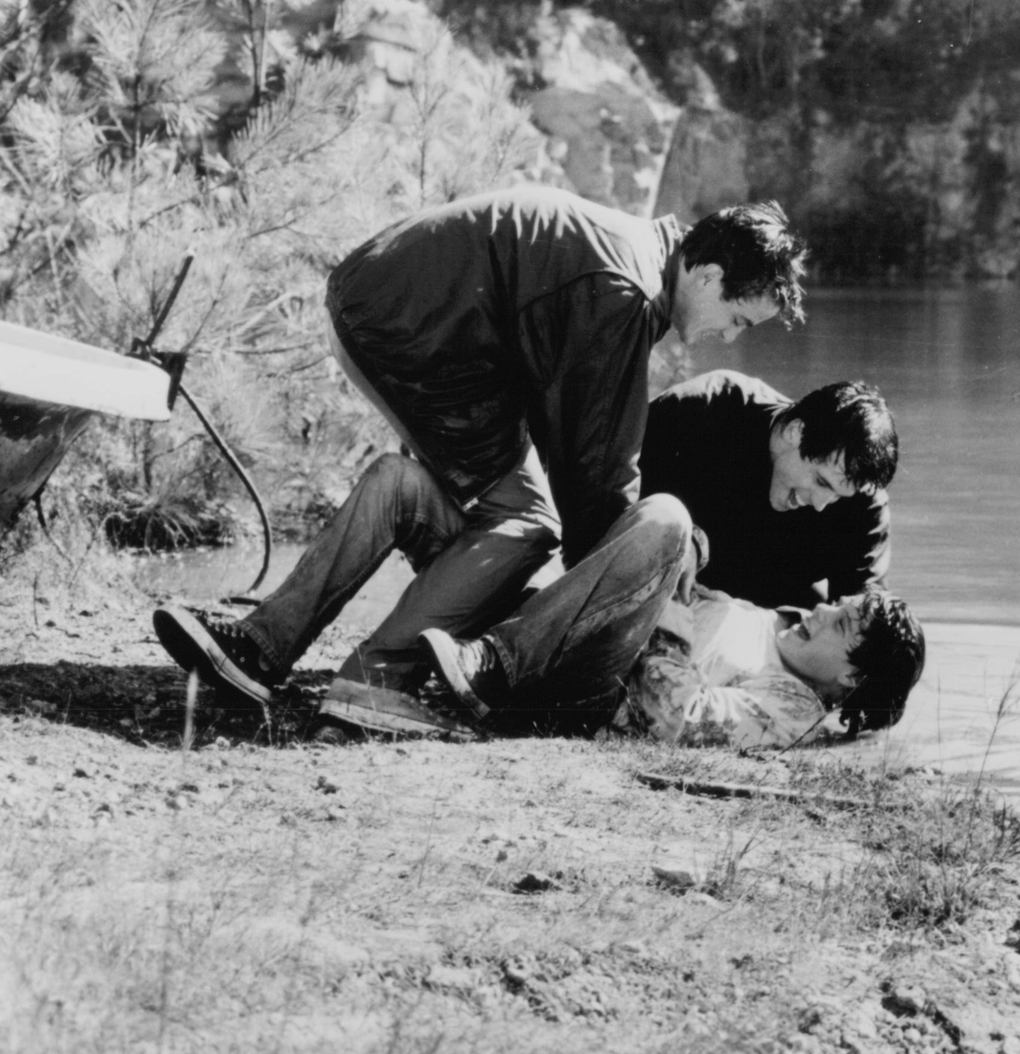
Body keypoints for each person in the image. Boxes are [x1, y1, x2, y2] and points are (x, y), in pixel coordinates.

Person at [152, 185, 807, 735]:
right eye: (739, 319)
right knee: (528, 521)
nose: (729, 337)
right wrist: (637, 576)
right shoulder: (628, 291)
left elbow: (574, 440)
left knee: (410, 487)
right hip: (416, 331)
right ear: (708, 275)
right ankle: (379, 678)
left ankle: (258, 647)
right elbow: (597, 477)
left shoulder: (634, 257)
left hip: (385, 302)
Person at [421, 493, 926, 751]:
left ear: (852, 677)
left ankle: (493, 670)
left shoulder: (794, 708)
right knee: (413, 493)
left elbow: (679, 718)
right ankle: (385, 665)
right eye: (838, 604)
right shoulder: (770, 622)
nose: (822, 608)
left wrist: (671, 615)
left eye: (840, 623)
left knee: (668, 515)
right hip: (580, 632)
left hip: (587, 689)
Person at [641, 371, 895, 608]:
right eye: (821, 482)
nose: (821, 504)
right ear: (796, 432)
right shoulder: (700, 410)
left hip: (771, 620)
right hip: (663, 590)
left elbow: (861, 621)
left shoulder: (864, 502)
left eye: (839, 496)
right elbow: (616, 505)